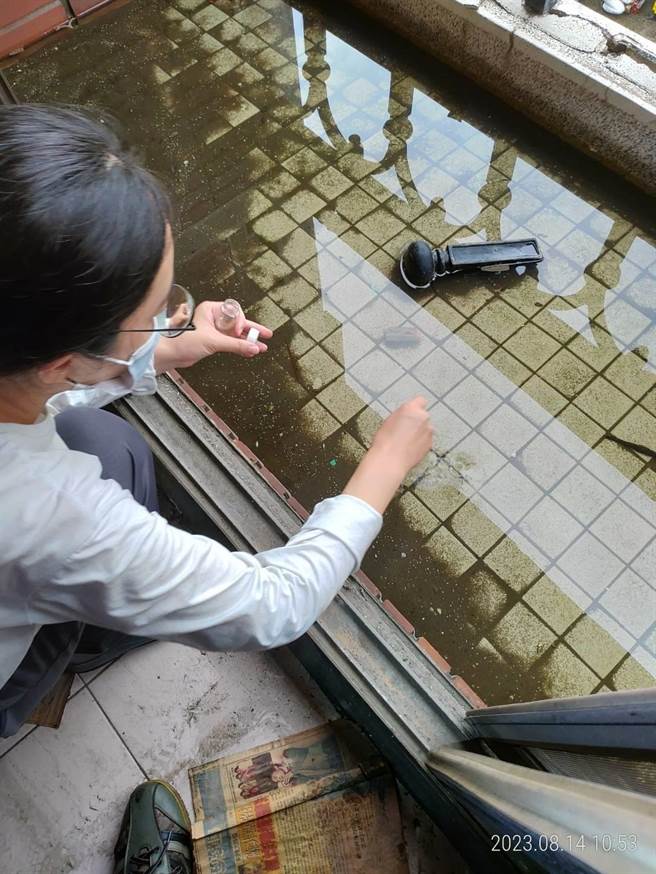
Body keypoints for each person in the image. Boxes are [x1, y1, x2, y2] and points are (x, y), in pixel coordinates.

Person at [0, 104, 432, 871]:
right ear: (64, 358)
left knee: (111, 445)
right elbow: (272, 604)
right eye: (151, 315)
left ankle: (80, 632)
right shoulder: (51, 513)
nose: (170, 315)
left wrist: (161, 350)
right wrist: (383, 469)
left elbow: (32, 390)